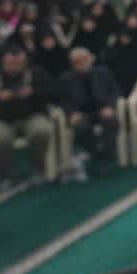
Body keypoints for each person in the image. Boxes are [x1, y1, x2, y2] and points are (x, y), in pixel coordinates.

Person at [0, 45, 55, 186]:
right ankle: (5, 175)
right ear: (3, 62)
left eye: (19, 63)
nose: (15, 66)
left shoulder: (37, 73)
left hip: (33, 115)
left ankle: (39, 170)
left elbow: (53, 92)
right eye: (11, 63)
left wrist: (33, 92)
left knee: (41, 131)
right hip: (4, 119)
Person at [58, 47, 120, 179]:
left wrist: (110, 107)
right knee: (81, 128)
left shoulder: (104, 72)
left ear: (90, 59)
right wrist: (71, 113)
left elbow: (114, 91)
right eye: (78, 61)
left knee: (111, 121)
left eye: (84, 60)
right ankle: (95, 155)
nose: (82, 63)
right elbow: (62, 100)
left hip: (102, 108)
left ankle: (108, 156)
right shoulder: (66, 79)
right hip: (81, 112)